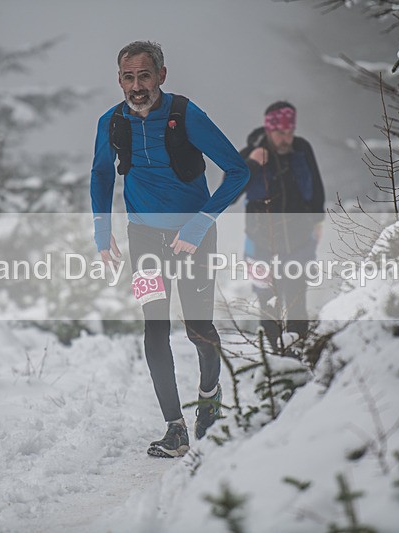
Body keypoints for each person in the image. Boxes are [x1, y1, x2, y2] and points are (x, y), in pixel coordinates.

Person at [90, 41, 249, 457]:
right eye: (128, 77)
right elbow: (102, 174)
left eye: (144, 76)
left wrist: (201, 222)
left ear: (161, 75)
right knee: (155, 329)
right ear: (119, 80)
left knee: (199, 329)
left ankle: (209, 398)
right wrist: (102, 228)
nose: (136, 86)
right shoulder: (112, 122)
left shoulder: (186, 115)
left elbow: (238, 171)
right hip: (144, 239)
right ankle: (175, 429)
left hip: (193, 240)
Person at [236, 101, 325, 355]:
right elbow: (230, 194)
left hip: (299, 242)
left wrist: (318, 220)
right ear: (269, 129)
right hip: (259, 244)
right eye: (280, 133)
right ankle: (275, 359)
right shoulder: (249, 153)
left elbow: (316, 186)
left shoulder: (301, 148)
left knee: (297, 301)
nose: (286, 138)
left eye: (289, 132)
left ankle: (299, 356)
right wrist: (253, 163)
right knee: (268, 305)